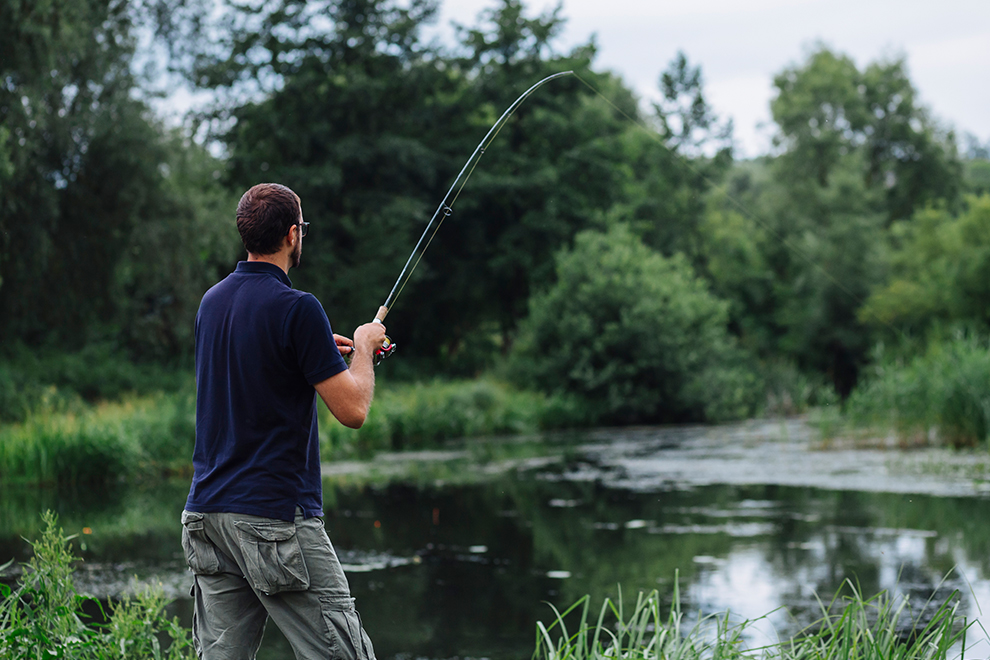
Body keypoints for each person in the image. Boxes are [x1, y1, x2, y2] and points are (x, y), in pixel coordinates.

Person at [180, 183, 385, 660]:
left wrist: (313, 355)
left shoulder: (212, 302)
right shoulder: (299, 307)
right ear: (293, 235)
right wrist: (365, 347)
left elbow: (260, 367)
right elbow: (353, 410)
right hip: (273, 518)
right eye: (303, 229)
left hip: (206, 516)